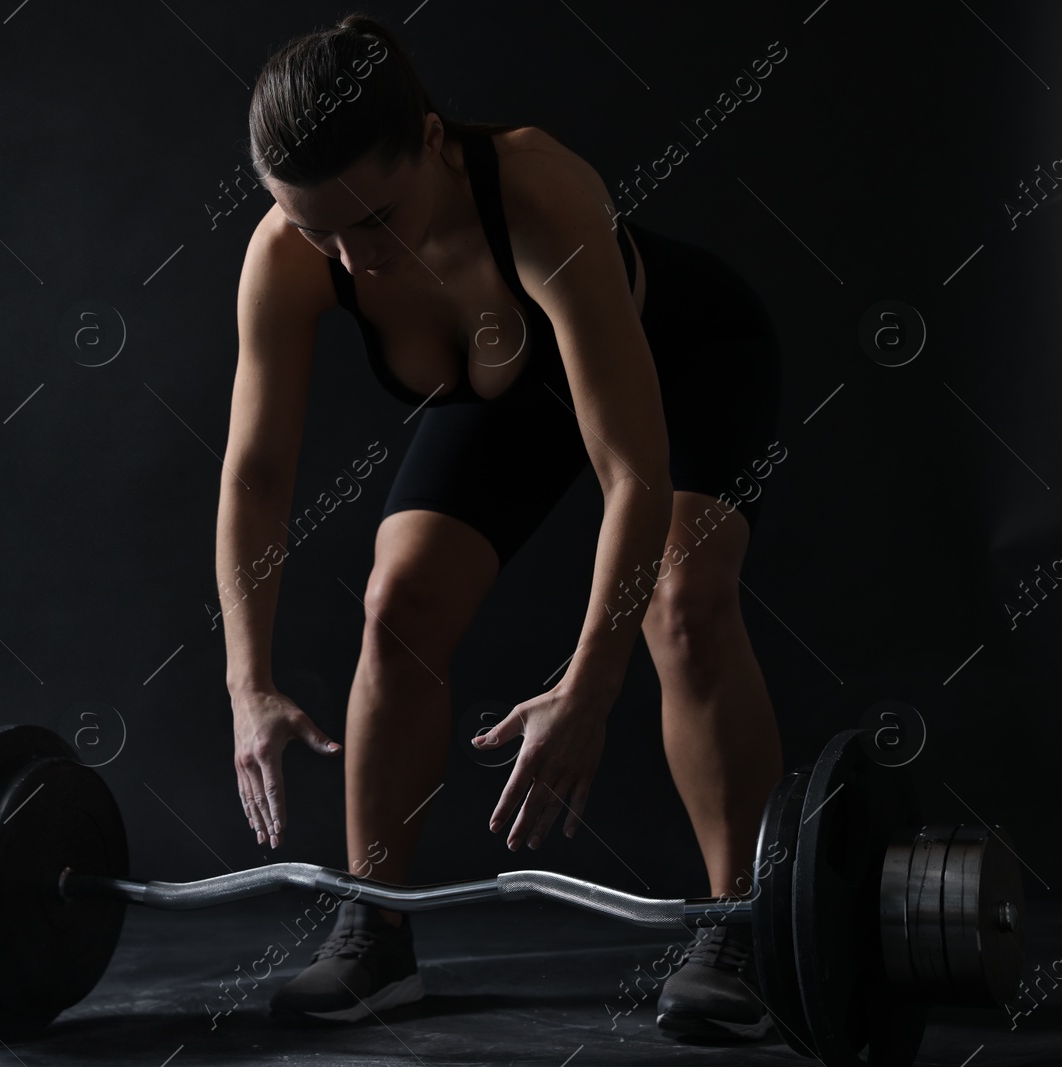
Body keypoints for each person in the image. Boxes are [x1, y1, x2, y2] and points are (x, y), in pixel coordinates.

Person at [216, 12, 784, 1040]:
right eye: (318, 229)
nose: (354, 257)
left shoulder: (535, 190)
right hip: (504, 390)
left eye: (375, 219)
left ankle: (737, 925)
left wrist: (587, 685)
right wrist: (245, 679)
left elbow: (632, 469)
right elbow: (256, 476)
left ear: (430, 141)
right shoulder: (289, 255)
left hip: (683, 365)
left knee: (681, 605)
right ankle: (375, 933)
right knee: (396, 605)